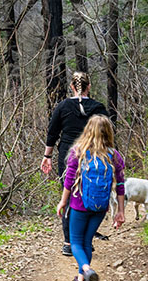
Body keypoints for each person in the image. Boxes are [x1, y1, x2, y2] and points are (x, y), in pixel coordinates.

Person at [40, 71, 114, 255]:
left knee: (69, 195)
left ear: (72, 87)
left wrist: (47, 156)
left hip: (68, 156)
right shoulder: (98, 108)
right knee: (89, 193)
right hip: (93, 156)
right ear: (89, 87)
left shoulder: (63, 106)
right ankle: (84, 240)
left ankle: (69, 242)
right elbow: (108, 133)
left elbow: (52, 133)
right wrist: (111, 157)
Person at [57, 115, 125, 281]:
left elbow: (69, 180)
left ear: (87, 131)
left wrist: (63, 202)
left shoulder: (78, 152)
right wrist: (120, 211)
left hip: (79, 204)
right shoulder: (114, 156)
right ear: (108, 132)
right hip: (100, 207)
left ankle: (87, 270)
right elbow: (120, 185)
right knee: (87, 242)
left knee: (75, 242)